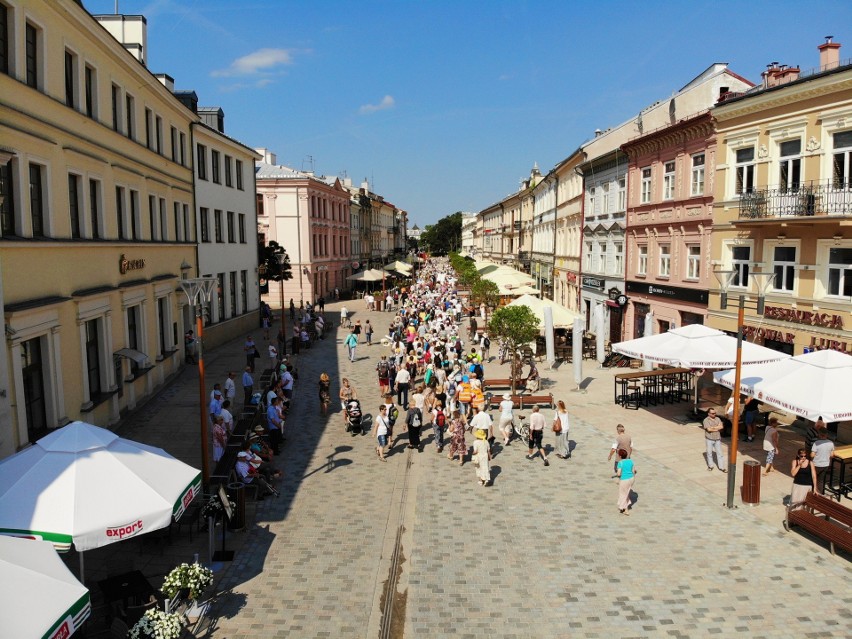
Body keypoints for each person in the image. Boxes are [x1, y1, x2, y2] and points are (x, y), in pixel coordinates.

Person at [811, 428, 835, 494]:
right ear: (826, 435)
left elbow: (812, 455)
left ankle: (813, 493)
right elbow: (832, 455)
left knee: (813, 479)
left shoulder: (816, 443)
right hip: (826, 464)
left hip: (816, 464)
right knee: (821, 481)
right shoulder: (831, 443)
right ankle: (820, 494)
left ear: (819, 434)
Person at [702, 408, 727, 472]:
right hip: (709, 439)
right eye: (713, 413)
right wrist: (717, 428)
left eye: (715, 413)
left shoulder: (718, 419)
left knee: (720, 453)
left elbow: (721, 426)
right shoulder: (706, 420)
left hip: (717, 439)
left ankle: (722, 467)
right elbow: (709, 429)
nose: (714, 414)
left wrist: (713, 428)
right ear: (709, 414)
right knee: (709, 453)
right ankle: (710, 466)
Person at [616, 448, 636, 515]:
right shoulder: (631, 461)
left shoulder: (620, 463)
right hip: (632, 478)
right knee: (626, 493)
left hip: (624, 479)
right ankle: (623, 506)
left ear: (620, 456)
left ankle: (625, 508)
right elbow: (633, 471)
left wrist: (618, 476)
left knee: (623, 494)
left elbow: (619, 473)